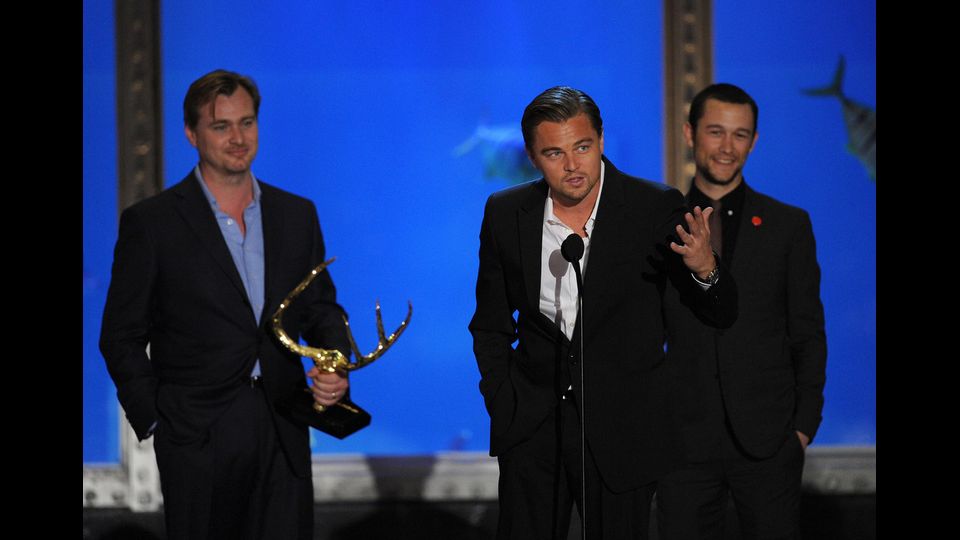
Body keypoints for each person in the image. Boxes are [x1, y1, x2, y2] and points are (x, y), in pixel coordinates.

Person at [468, 86, 738, 540]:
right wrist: (504, 400)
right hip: (534, 431)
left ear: (601, 141)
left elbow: (720, 312)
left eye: (582, 147)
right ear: (533, 157)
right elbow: (490, 324)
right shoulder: (506, 212)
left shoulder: (653, 207)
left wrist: (705, 269)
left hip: (623, 433)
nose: (572, 165)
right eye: (554, 152)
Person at [100, 69, 350, 540]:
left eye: (247, 123)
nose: (238, 138)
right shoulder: (153, 224)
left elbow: (321, 308)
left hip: (283, 425)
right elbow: (120, 335)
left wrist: (335, 364)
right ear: (191, 134)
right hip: (198, 435)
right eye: (221, 126)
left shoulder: (297, 215)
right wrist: (159, 417)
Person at [656, 83, 827, 540]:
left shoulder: (788, 225)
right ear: (690, 134)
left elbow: (807, 332)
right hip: (682, 444)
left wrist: (803, 429)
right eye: (716, 131)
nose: (727, 147)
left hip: (769, 443)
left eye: (740, 134)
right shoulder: (657, 224)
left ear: (753, 140)